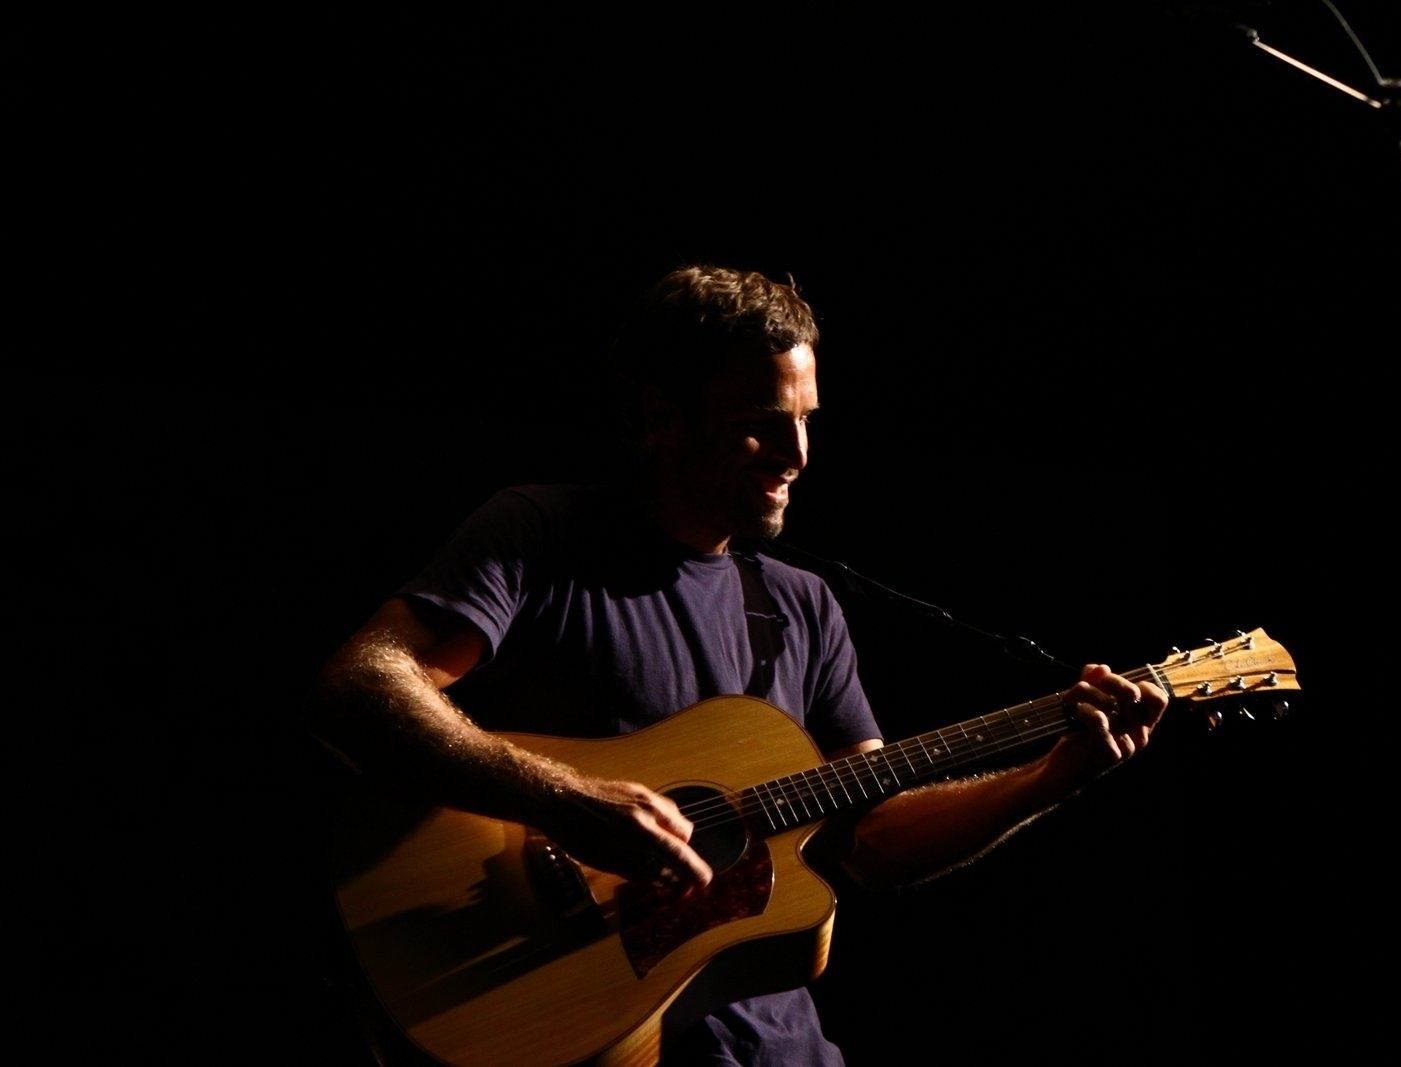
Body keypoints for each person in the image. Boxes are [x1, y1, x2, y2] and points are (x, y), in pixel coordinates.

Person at [307, 263, 1169, 1066]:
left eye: (806, 420)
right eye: (760, 426)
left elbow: (870, 836)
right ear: (661, 416)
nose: (796, 456)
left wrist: (1058, 771)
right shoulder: (543, 535)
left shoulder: (802, 606)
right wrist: (564, 800)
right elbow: (363, 682)